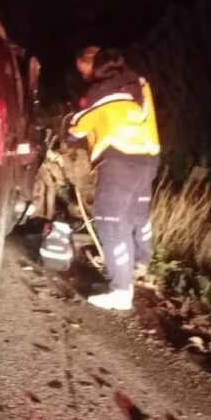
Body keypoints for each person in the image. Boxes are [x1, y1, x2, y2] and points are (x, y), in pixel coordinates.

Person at [68, 48, 160, 310]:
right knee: (136, 218)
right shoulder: (139, 82)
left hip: (120, 162)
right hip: (148, 160)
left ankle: (121, 291)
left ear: (93, 65)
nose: (82, 75)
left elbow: (78, 127)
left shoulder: (100, 94)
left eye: (82, 69)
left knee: (110, 224)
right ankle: (140, 265)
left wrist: (70, 135)